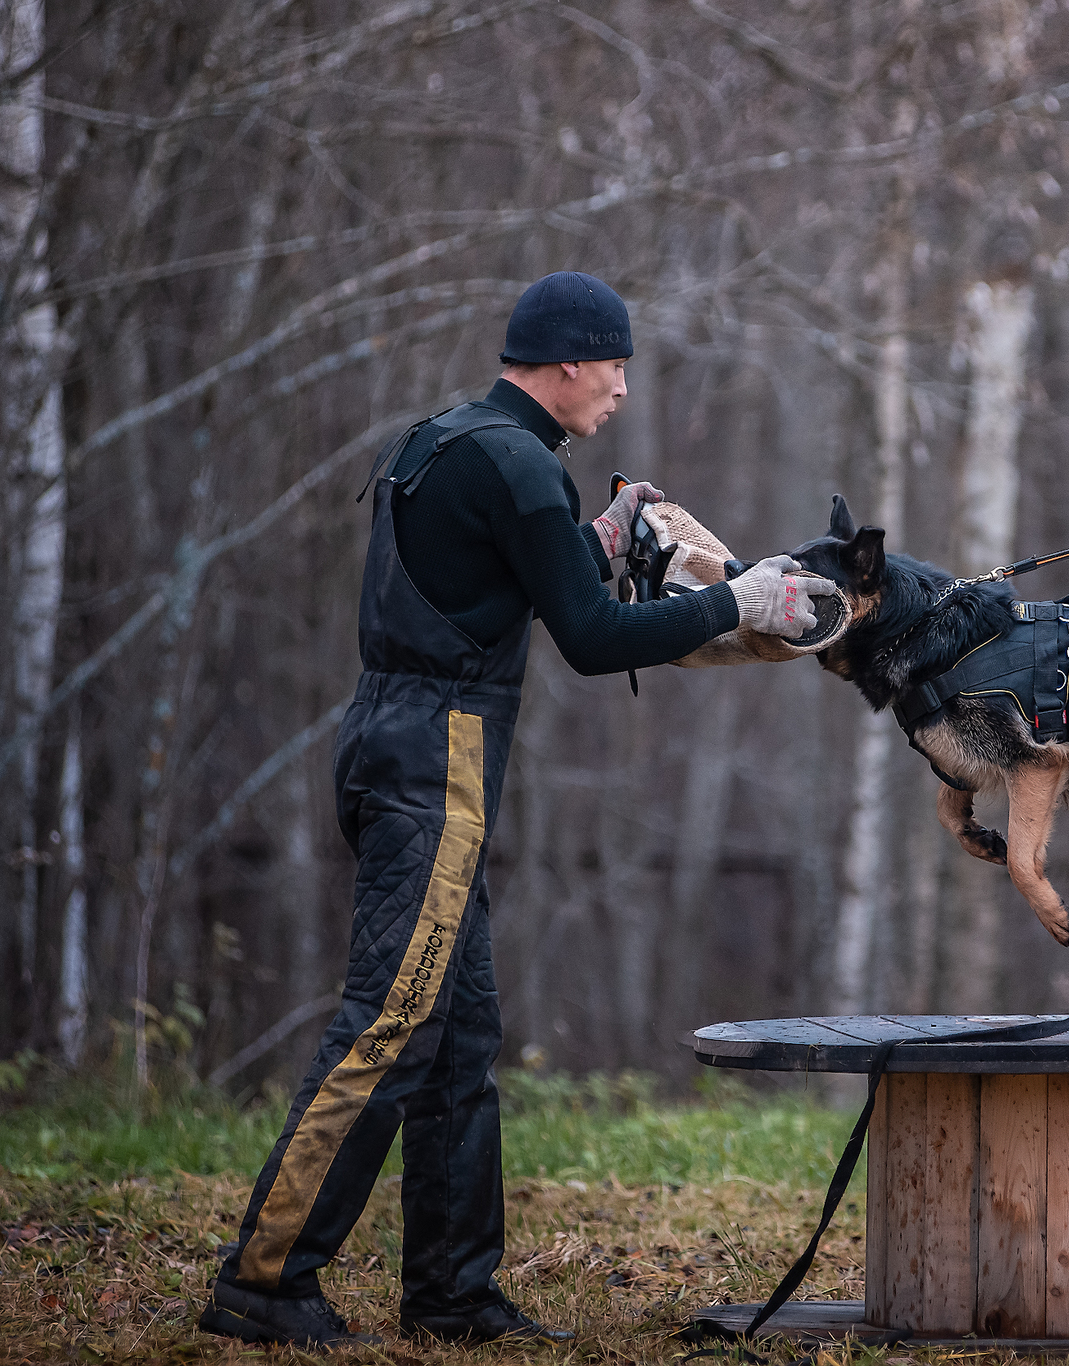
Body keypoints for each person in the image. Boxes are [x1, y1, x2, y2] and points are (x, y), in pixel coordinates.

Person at [199, 271, 831, 1347]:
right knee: (391, 1019)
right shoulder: (525, 467)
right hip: (437, 754)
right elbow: (588, 640)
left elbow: (498, 584)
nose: (622, 391)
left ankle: (452, 1294)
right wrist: (739, 600)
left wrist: (602, 535)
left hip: (384, 732)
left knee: (456, 1033)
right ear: (569, 362)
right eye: (615, 366)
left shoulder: (445, 441)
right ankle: (265, 1281)